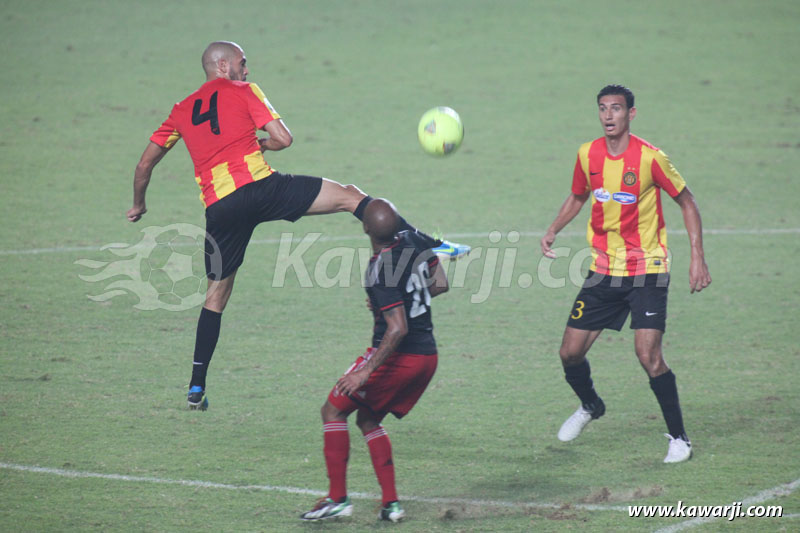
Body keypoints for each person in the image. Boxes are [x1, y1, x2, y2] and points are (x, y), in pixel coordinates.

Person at [127, 41, 469, 410]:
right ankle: (428, 244)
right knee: (350, 196)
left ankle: (196, 387)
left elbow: (144, 166)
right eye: (243, 64)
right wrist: (266, 147)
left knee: (215, 296)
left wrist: (139, 204)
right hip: (262, 189)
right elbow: (284, 138)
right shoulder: (243, 91)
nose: (247, 71)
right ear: (223, 65)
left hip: (221, 208)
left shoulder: (180, 110)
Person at [540, 84, 711, 463]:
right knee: (569, 353)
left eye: (616, 109)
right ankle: (590, 406)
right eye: (603, 108)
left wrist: (696, 256)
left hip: (647, 268)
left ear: (630, 114)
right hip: (603, 269)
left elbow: (687, 200)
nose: (608, 116)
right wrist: (554, 228)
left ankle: (679, 438)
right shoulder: (588, 154)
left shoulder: (651, 159)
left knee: (647, 354)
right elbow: (579, 194)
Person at [300, 199, 448, 522]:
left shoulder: (379, 269)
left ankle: (338, 499)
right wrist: (394, 301)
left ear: (366, 228)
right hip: (428, 356)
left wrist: (365, 372)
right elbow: (440, 284)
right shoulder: (414, 239)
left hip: (400, 356)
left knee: (333, 410)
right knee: (368, 420)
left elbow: (397, 329)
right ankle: (391, 505)